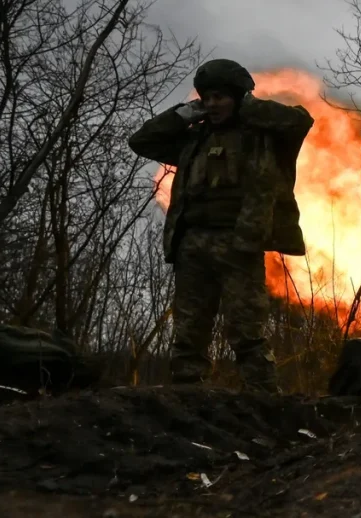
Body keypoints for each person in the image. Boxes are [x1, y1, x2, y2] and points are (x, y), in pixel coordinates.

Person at [128, 59, 313, 392]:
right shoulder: (194, 139)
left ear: (237, 97)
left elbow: (299, 121)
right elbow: (141, 141)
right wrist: (184, 114)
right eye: (207, 98)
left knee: (246, 329)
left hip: (239, 244)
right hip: (192, 244)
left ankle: (264, 399)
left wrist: (248, 106)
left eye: (220, 97)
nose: (212, 104)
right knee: (189, 330)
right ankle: (188, 395)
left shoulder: (263, 137)